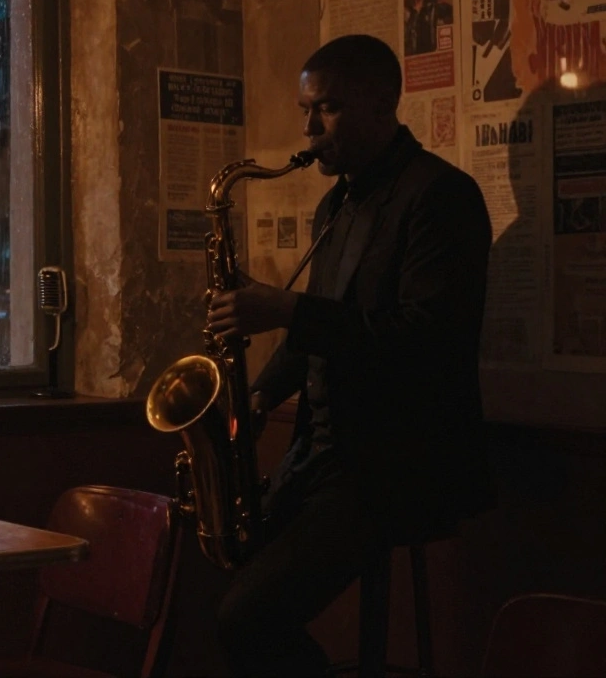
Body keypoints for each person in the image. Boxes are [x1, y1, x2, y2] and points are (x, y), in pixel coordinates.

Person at [206, 34, 494, 676]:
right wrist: (260, 396)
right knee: (220, 600)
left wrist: (282, 312)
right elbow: (319, 327)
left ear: (383, 104)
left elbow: (424, 341)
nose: (309, 128)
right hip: (329, 458)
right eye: (306, 109)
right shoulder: (337, 203)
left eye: (327, 109)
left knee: (246, 617)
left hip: (398, 464)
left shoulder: (441, 196)